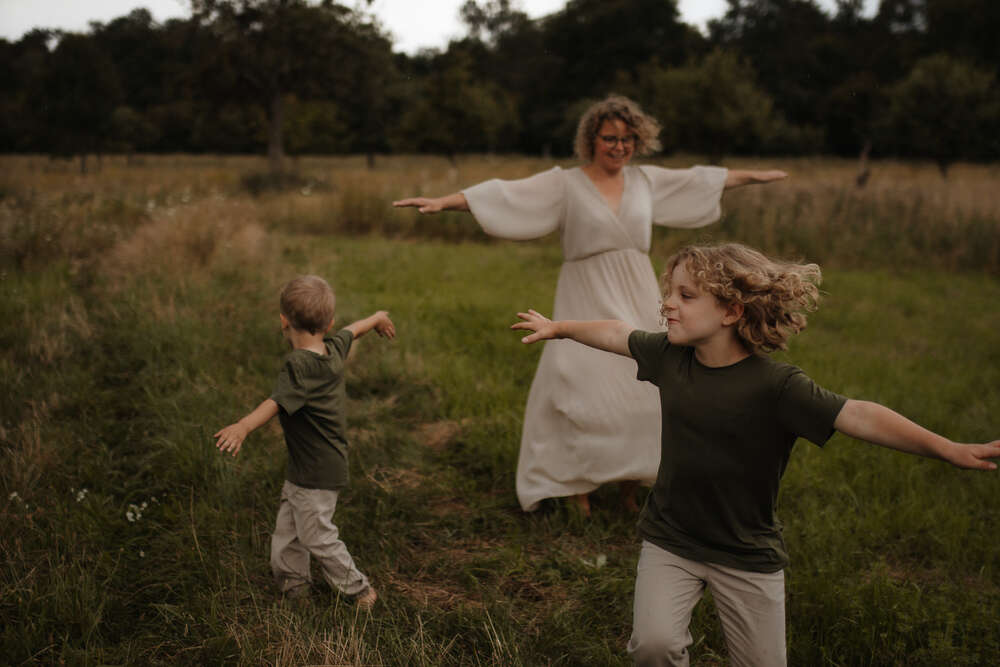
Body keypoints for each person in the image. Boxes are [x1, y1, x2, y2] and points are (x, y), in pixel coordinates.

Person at [510, 242, 1000, 666]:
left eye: (686, 296)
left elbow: (859, 415)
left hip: (746, 553)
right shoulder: (670, 357)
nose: (667, 305)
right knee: (653, 646)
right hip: (670, 539)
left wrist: (948, 448)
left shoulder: (778, 386)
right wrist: (560, 327)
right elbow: (617, 333)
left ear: (731, 312)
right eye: (669, 293)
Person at [393, 95, 786, 515]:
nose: (619, 147)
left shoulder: (645, 181)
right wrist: (445, 202)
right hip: (584, 291)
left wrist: (755, 176)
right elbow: (507, 195)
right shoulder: (565, 184)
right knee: (579, 384)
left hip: (635, 291)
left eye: (627, 139)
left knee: (643, 388)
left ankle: (630, 485)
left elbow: (700, 181)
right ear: (591, 140)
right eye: (609, 138)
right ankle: (577, 484)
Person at [214, 275, 396, 610]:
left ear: (283, 321)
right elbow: (354, 330)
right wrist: (378, 318)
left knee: (317, 536)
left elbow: (276, 402)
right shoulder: (333, 349)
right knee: (290, 529)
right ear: (329, 323)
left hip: (316, 470)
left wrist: (243, 426)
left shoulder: (298, 365)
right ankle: (294, 586)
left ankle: (359, 590)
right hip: (311, 464)